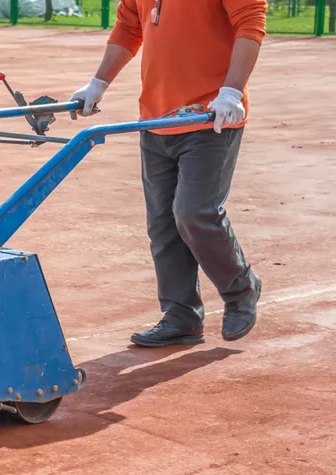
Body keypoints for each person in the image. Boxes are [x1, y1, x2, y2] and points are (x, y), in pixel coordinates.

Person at [69, 0, 267, 347]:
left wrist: (232, 91)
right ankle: (182, 316)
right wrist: (98, 83)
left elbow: (250, 24)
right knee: (162, 223)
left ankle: (241, 288)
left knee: (194, 212)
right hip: (158, 117)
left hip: (211, 117)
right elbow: (129, 29)